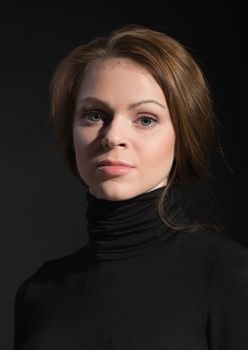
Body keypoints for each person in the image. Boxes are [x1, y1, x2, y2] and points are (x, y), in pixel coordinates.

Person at [14, 24, 248, 349]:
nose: (112, 137)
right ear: (71, 134)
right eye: (94, 115)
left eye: (146, 119)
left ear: (183, 136)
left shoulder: (229, 277)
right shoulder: (39, 293)